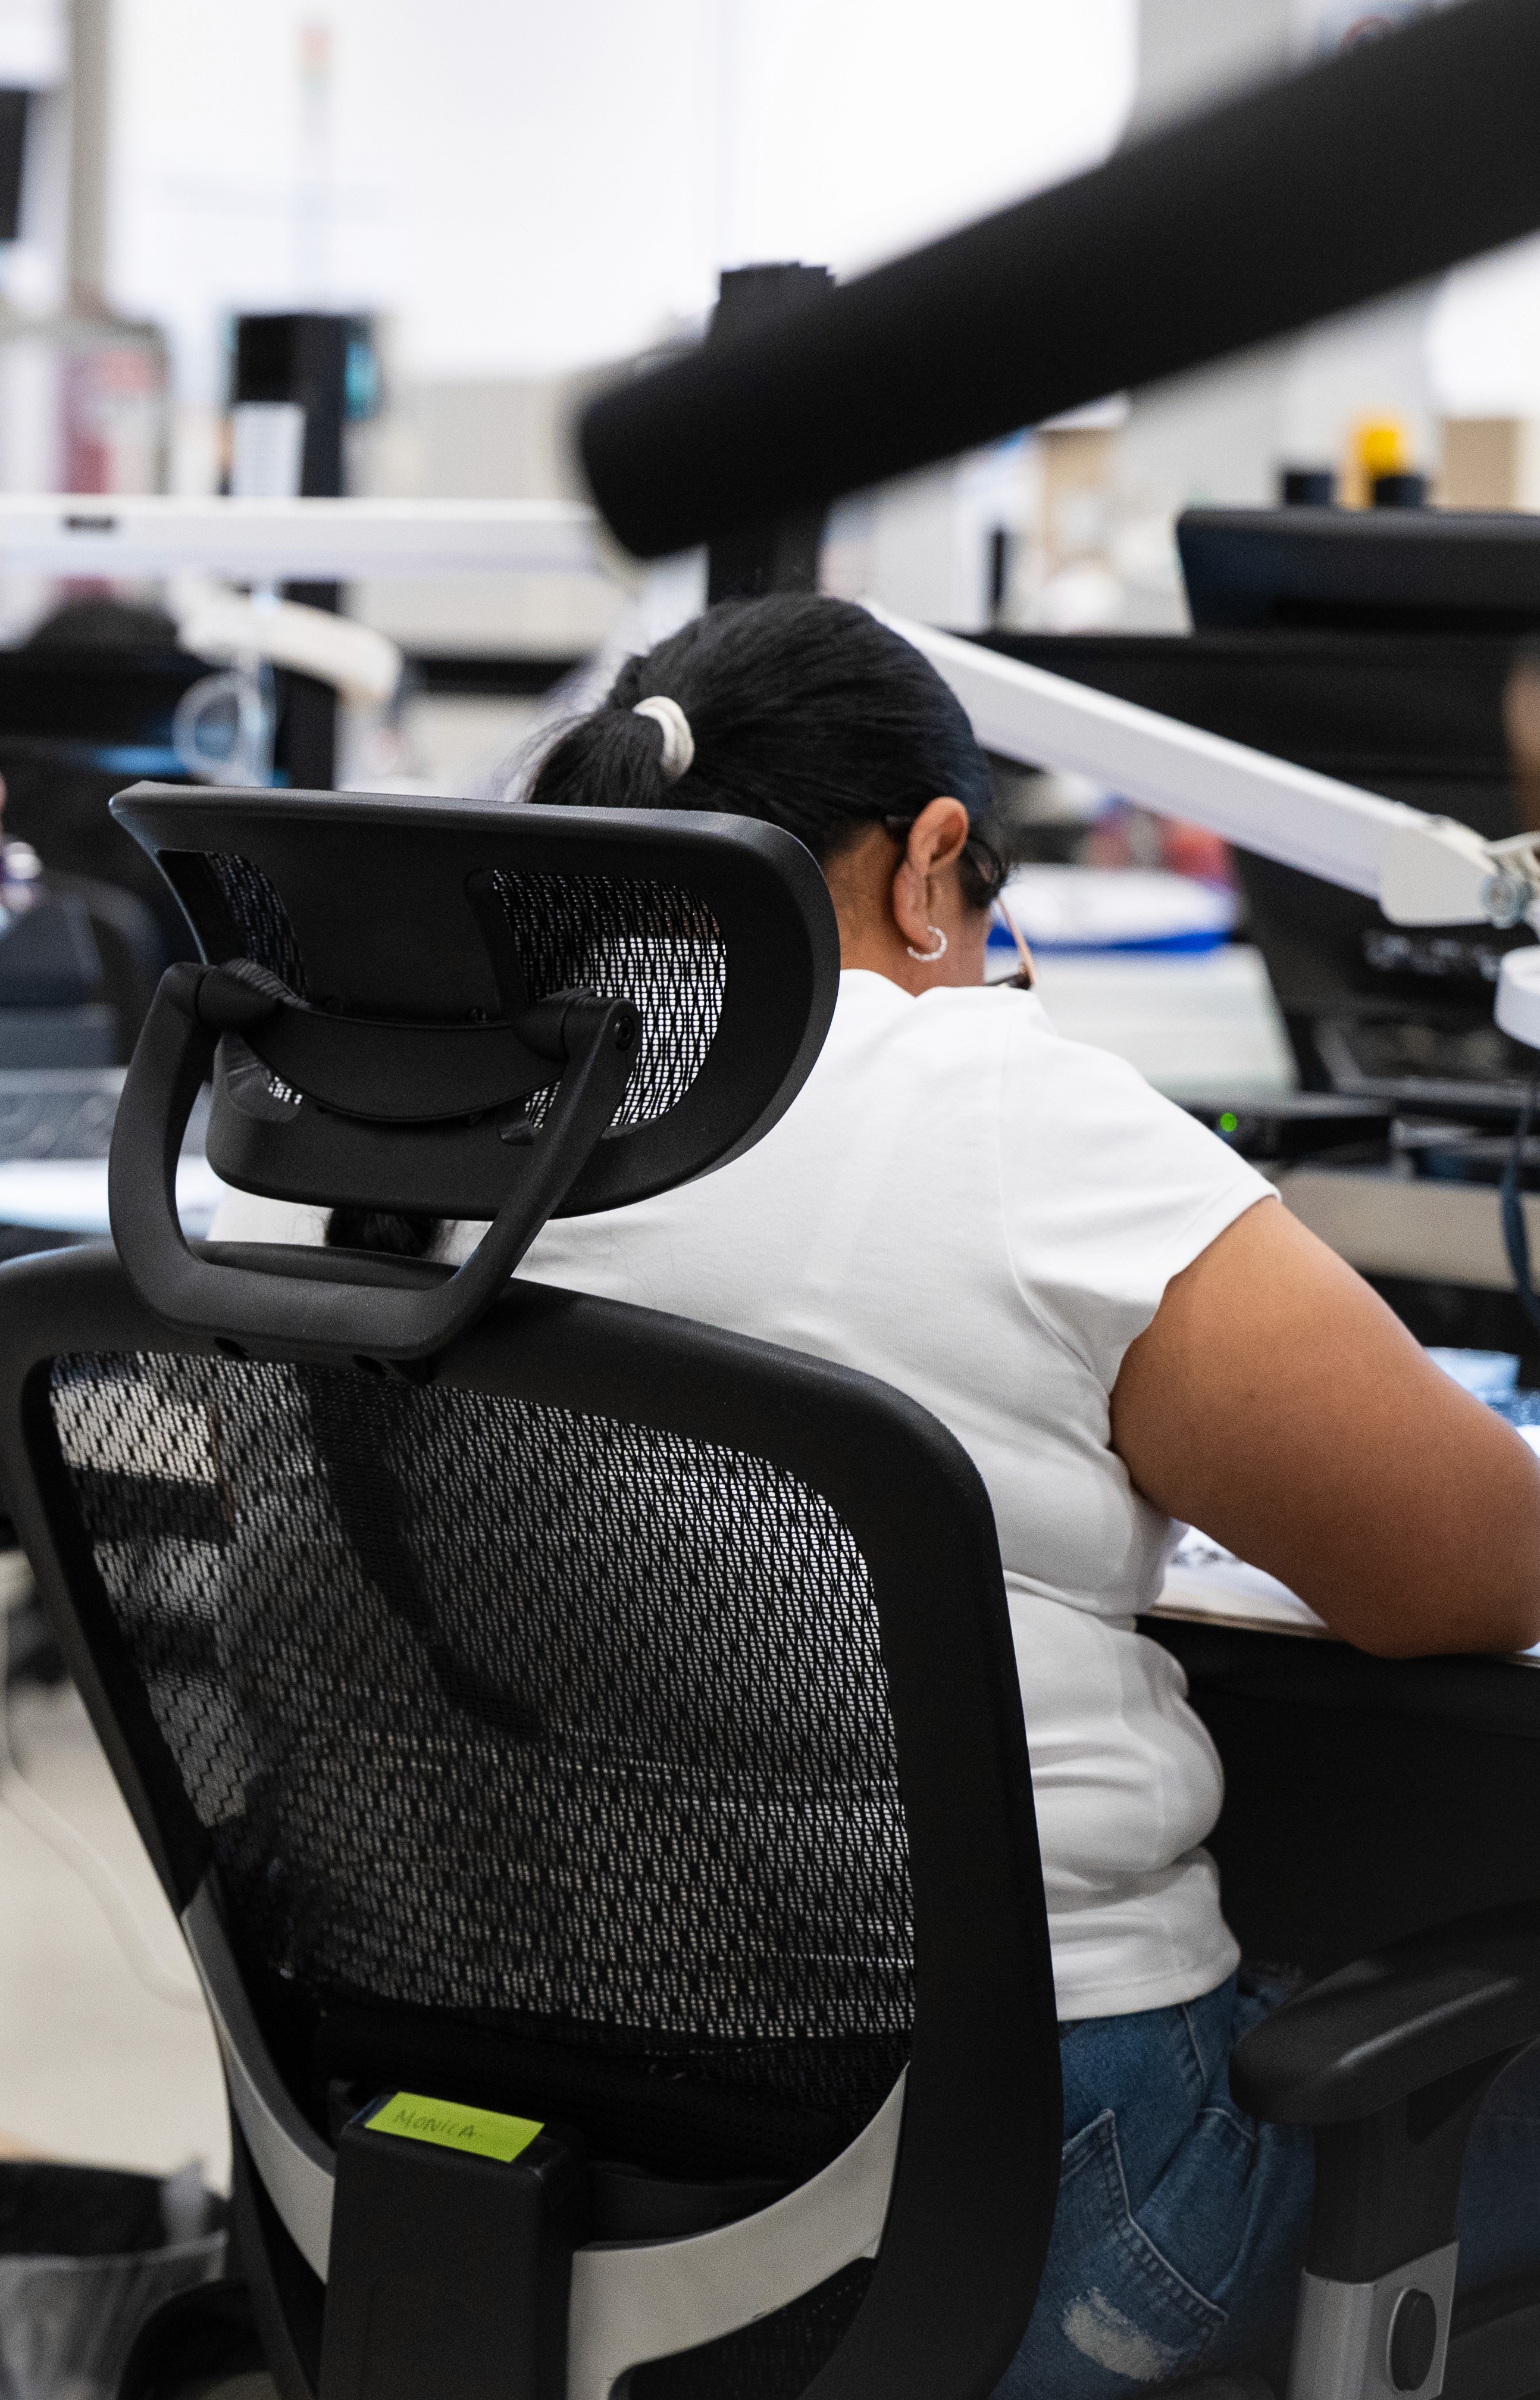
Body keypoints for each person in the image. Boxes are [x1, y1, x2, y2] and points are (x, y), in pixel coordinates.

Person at [219, 593, 1540, 2399]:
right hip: (1033, 2200)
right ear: (934, 865)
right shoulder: (995, 1104)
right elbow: (1470, 1569)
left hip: (479, 2154)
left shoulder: (316, 1136)